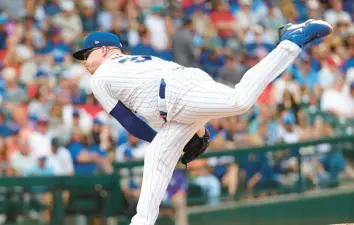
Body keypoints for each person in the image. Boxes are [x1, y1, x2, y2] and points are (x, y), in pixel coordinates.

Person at [72, 19, 333, 225]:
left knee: (240, 100)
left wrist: (168, 139)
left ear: (103, 50)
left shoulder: (100, 75)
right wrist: (188, 131)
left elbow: (127, 120)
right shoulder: (136, 62)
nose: (84, 62)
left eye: (86, 54)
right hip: (179, 97)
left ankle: (290, 42)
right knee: (157, 157)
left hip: (175, 97)